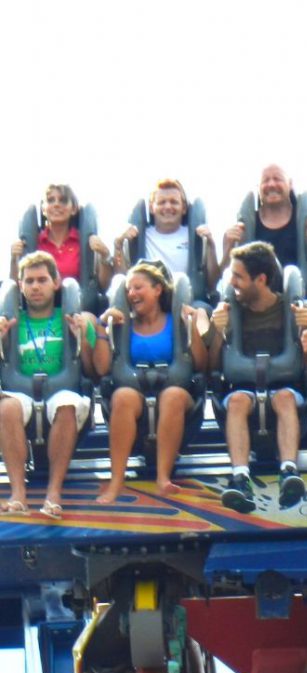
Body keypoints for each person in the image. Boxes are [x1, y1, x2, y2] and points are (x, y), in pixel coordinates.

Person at [207, 241, 307, 514]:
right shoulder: (232, 312)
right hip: (242, 387)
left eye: (238, 276)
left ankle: (289, 471)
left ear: (261, 279)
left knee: (284, 398)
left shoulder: (288, 310)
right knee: (237, 403)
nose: (232, 282)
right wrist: (216, 333)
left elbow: (304, 364)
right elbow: (211, 365)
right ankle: (240, 478)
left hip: (285, 385)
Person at [0, 251, 109, 517]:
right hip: (19, 392)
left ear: (55, 283)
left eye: (42, 280)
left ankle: (53, 493)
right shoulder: (12, 322)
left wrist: (84, 337)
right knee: (6, 409)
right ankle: (18, 494)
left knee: (68, 405)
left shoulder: (73, 318)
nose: (35, 287)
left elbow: (93, 371)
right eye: (29, 281)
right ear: (21, 285)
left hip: (61, 392)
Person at [95, 260, 208, 504]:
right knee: (122, 397)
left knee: (173, 396)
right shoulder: (123, 325)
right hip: (135, 391)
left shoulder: (176, 320)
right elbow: (102, 368)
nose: (132, 294)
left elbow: (201, 364)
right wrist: (104, 328)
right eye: (128, 289)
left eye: (138, 287)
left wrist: (191, 327)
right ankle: (116, 481)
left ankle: (163, 477)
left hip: (175, 392)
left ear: (158, 290)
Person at [220, 164, 307, 284]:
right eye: (265, 180)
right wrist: (231, 247)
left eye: (277, 179)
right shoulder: (240, 230)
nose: (271, 184)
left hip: (301, 298)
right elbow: (224, 277)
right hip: (255, 299)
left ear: (290, 184)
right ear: (258, 187)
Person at [113, 178, 219, 292]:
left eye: (174, 202)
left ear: (183, 208)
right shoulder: (141, 236)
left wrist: (211, 246)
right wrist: (118, 246)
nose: (168, 207)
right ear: (151, 208)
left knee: (182, 284)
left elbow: (212, 284)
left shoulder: (196, 236)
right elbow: (123, 279)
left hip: (186, 300)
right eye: (161, 202)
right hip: (150, 301)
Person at [9, 183, 114, 292]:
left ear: (73, 209)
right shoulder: (33, 243)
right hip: (39, 304)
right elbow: (16, 286)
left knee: (69, 286)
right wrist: (14, 259)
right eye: (50, 200)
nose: (56, 205)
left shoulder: (85, 243)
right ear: (43, 209)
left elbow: (104, 285)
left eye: (63, 200)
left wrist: (105, 256)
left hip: (76, 304)